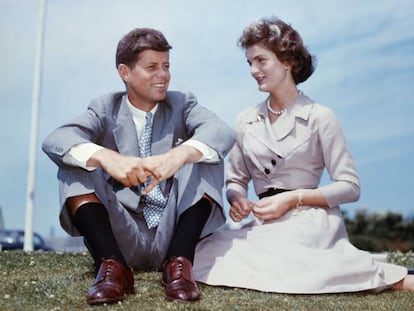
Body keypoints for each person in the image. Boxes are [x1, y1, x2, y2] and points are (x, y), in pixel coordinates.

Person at [193, 16, 414, 293]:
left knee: (292, 263)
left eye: (261, 60)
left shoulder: (320, 117)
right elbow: (235, 180)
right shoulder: (245, 120)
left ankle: (394, 279)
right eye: (250, 62)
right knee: (204, 254)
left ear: (287, 61)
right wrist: (236, 198)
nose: (253, 69)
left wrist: (291, 199)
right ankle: (345, 267)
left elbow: (350, 187)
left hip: (309, 220)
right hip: (262, 223)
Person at [42, 27, 234, 305]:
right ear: (125, 72)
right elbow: (56, 139)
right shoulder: (104, 107)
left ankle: (180, 268)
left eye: (166, 66)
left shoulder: (182, 103)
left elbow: (221, 132)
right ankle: (113, 270)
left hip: (173, 234)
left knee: (202, 153)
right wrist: (107, 158)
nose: (163, 75)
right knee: (76, 159)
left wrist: (178, 155)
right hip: (122, 234)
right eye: (152, 67)